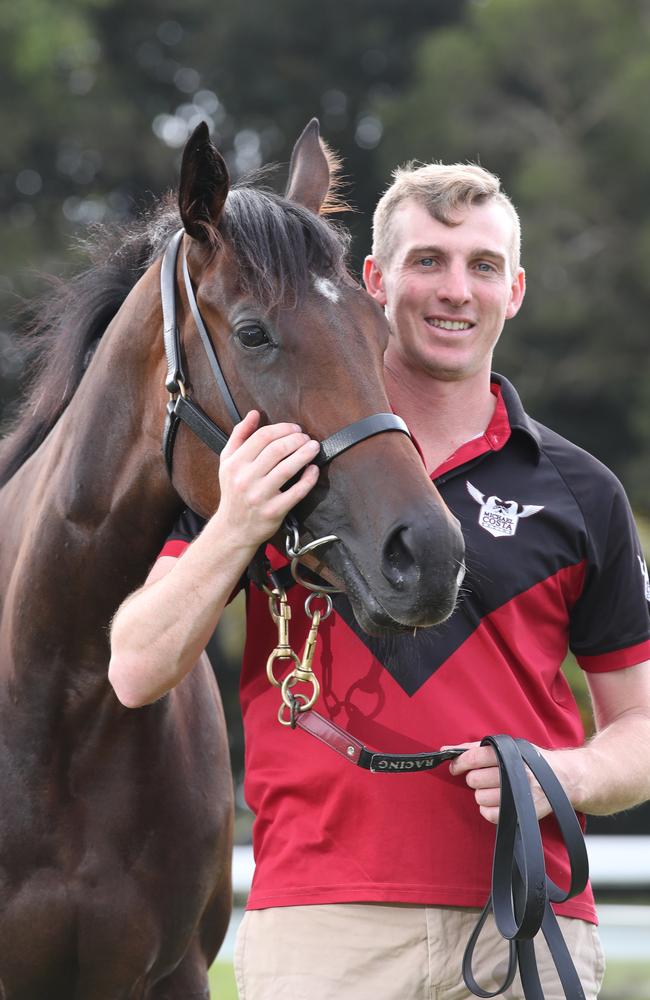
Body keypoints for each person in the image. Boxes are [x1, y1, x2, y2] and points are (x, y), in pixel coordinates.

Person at [109, 162, 650, 1000]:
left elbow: (641, 728)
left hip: (527, 920)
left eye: (482, 266)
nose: (454, 290)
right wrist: (239, 523)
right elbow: (137, 668)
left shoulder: (581, 492)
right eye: (427, 261)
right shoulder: (267, 460)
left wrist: (567, 777)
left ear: (515, 291)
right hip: (324, 928)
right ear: (373, 281)